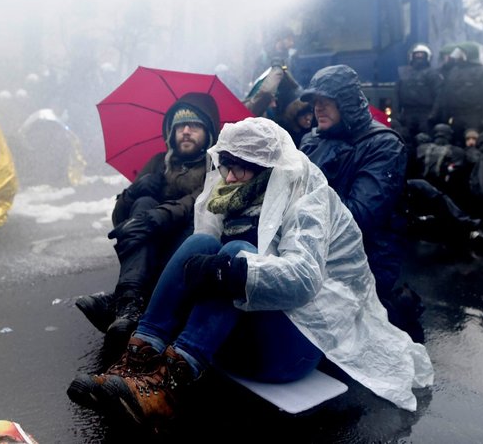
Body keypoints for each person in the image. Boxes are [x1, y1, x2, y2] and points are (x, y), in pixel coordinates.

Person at [67, 118, 434, 424]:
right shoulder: (225, 195)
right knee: (200, 245)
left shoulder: (307, 199)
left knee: (237, 254)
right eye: (226, 162)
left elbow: (305, 281)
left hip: (291, 351)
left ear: (269, 168)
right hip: (232, 341)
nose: (230, 174)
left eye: (242, 165)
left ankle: (168, 385)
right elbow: (199, 257)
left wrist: (233, 273)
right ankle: (137, 363)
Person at [74, 92, 220, 353]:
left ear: (208, 132)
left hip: (187, 242)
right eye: (180, 126)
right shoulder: (157, 163)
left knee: (183, 226)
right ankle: (129, 303)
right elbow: (120, 220)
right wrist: (134, 192)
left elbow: (197, 203)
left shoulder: (216, 166)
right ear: (171, 132)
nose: (186, 131)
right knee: (142, 203)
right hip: (151, 245)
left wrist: (160, 216)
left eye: (194, 125)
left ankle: (128, 304)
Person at [298, 65, 424, 340]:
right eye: (314, 102)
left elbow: (359, 216)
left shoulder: (383, 145)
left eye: (326, 101)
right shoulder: (311, 140)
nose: (318, 108)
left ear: (346, 101)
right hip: (312, 244)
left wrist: (300, 203)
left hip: (367, 256)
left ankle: (394, 308)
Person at [432, 45, 483, 143]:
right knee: (456, 141)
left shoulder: (481, 71)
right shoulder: (454, 70)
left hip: (474, 114)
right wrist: (445, 115)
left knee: (473, 141)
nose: (457, 57)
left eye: (461, 54)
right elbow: (447, 93)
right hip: (456, 115)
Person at [395, 44, 442, 148]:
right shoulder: (404, 73)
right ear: (412, 56)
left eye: (422, 55)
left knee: (425, 140)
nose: (419, 57)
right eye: (417, 55)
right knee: (406, 140)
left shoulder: (433, 74)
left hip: (425, 113)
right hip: (408, 112)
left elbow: (438, 95)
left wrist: (433, 113)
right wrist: (398, 113)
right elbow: (397, 94)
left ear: (427, 57)